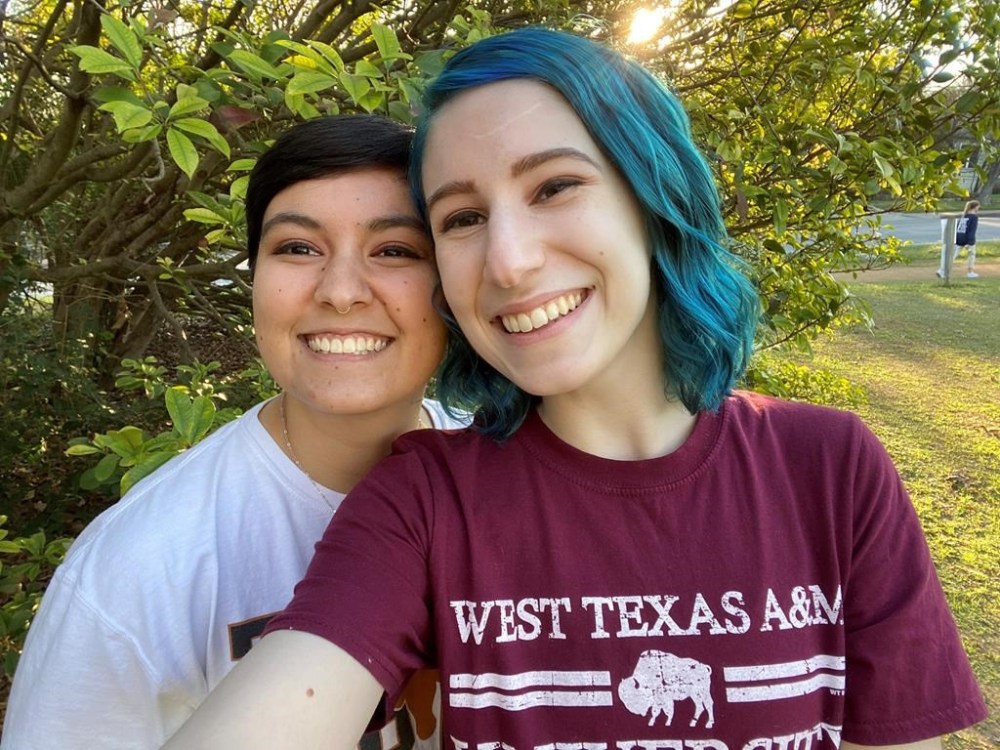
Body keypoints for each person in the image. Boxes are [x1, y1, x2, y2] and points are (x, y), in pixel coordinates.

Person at [163, 29, 987, 750]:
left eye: (554, 187)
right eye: (460, 219)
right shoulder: (421, 501)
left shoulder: (830, 470)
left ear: (652, 199)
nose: (509, 261)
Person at [1, 115, 465, 749]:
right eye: (298, 248)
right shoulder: (137, 569)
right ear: (254, 280)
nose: (341, 291)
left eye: (395, 251)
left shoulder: (518, 479)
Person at [937, 199, 981, 279]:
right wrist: (970, 242)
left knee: (952, 255)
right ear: (975, 207)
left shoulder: (963, 215)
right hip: (967, 238)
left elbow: (958, 228)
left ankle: (942, 270)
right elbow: (972, 230)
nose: (978, 209)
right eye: (978, 207)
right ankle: (970, 272)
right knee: (971, 254)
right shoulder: (974, 217)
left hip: (959, 238)